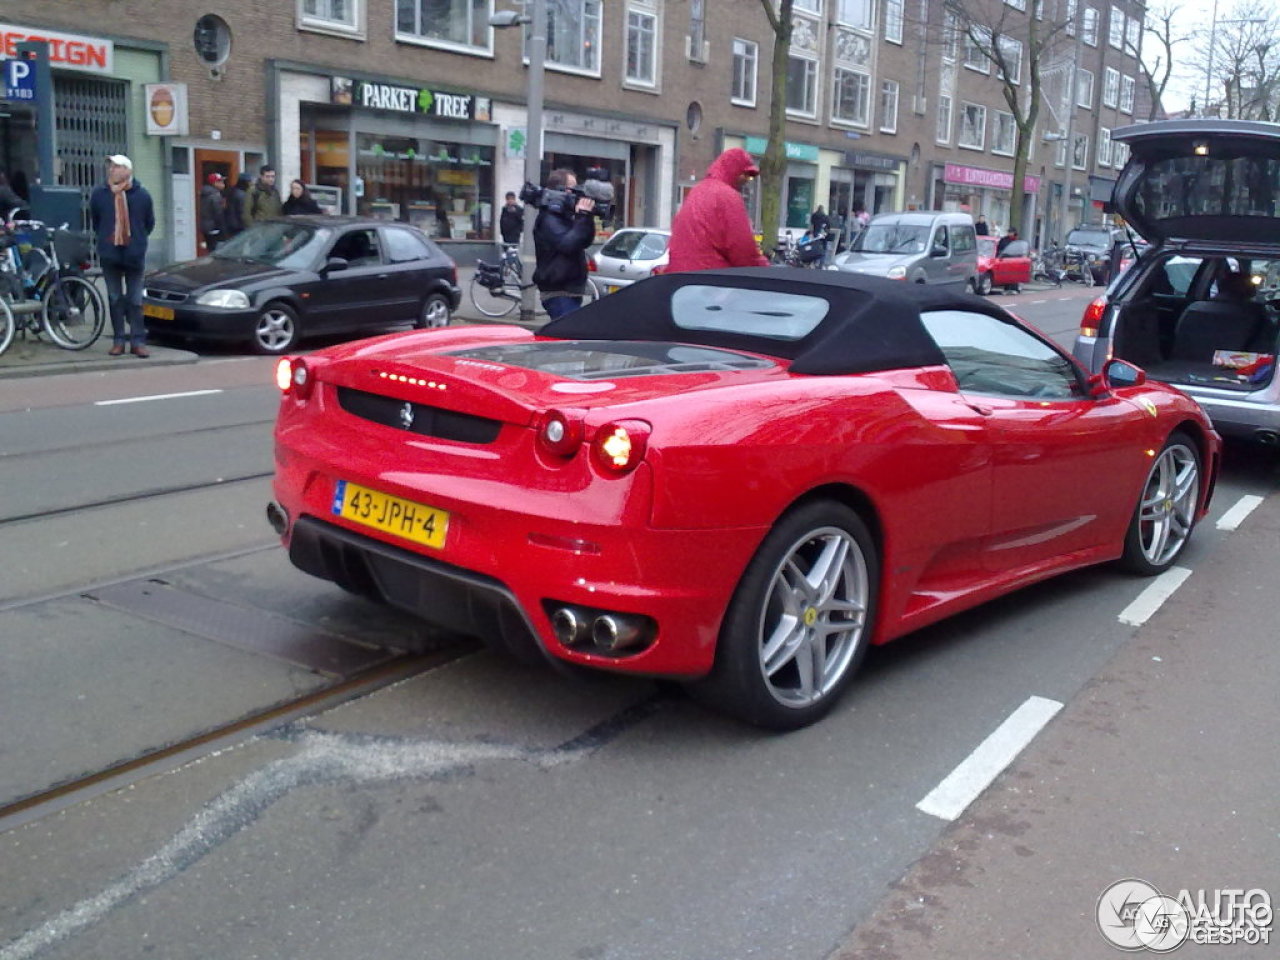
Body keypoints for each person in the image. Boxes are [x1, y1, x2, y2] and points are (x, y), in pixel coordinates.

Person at [89, 155, 155, 358]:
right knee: (115, 298)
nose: (112, 170)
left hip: (134, 255)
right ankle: (118, 340)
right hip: (110, 254)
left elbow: (149, 223)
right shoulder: (100, 194)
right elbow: (97, 221)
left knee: (135, 300)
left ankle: (137, 340)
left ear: (127, 171)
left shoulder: (142, 195)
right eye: (110, 166)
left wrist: (136, 241)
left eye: (116, 167)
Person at [666, 147, 769, 272]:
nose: (746, 180)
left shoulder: (698, 191)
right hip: (711, 279)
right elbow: (741, 249)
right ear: (734, 170)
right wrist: (763, 269)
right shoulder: (728, 196)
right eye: (745, 175)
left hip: (682, 279)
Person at [531, 169, 597, 319]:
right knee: (568, 338)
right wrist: (581, 217)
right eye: (571, 188)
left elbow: (583, 241)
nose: (576, 192)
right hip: (558, 291)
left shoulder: (565, 216)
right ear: (559, 190)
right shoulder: (550, 218)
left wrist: (587, 217)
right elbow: (567, 244)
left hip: (570, 290)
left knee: (568, 337)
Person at [200, 172, 226, 252]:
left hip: (206, 225)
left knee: (210, 247)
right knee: (215, 248)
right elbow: (218, 212)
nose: (223, 184)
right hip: (214, 226)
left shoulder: (206, 193)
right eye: (221, 182)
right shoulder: (214, 195)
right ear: (215, 183)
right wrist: (223, 227)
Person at [224, 174, 250, 238]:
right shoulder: (242, 195)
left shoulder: (232, 191)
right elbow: (242, 211)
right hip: (239, 226)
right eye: (249, 182)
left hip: (230, 224)